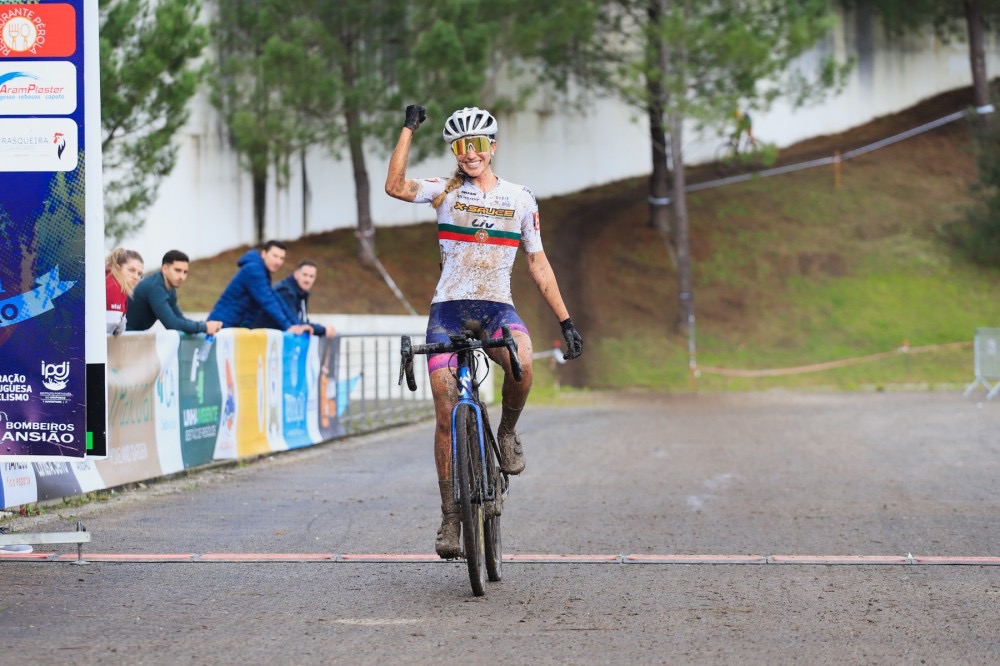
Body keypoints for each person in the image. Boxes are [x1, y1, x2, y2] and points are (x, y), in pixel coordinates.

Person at [385, 104, 583, 558]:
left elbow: (537, 262)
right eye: (461, 146)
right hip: (448, 312)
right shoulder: (443, 191)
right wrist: (408, 130)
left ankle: (507, 433)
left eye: (477, 145)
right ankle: (450, 517)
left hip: (496, 309)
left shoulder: (520, 198)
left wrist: (565, 320)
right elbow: (394, 186)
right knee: (443, 409)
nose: (470, 154)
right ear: (455, 151)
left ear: (492, 147)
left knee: (524, 360)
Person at [208, 240, 312, 335]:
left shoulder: (262, 272)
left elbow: (277, 299)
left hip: (231, 327)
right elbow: (268, 301)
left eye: (282, 258)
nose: (278, 262)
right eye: (275, 256)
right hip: (221, 327)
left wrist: (296, 325)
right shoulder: (254, 270)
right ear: (264, 254)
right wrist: (288, 327)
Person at [126, 249, 223, 335]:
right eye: (177, 270)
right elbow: (173, 324)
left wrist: (204, 325)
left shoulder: (170, 289)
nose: (182, 276)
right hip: (118, 337)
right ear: (164, 269)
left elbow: (180, 319)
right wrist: (205, 327)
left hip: (130, 337)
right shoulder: (155, 287)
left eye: (185, 272)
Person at [250, 259, 336, 337]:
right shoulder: (286, 292)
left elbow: (301, 321)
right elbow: (295, 322)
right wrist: (322, 330)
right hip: (262, 339)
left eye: (311, 276)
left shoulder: (301, 293)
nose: (307, 279)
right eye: (305, 275)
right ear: (296, 275)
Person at [105, 247, 144, 336]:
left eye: (139, 274)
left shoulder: (110, 281)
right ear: (118, 268)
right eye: (131, 270)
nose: (136, 277)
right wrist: (121, 323)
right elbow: (111, 325)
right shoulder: (114, 287)